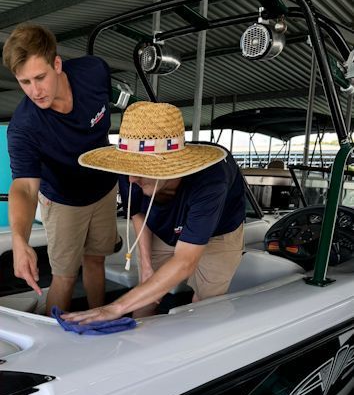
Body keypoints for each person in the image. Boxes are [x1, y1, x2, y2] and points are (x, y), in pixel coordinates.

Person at [62, 101, 245, 324]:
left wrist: (115, 308)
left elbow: (186, 260)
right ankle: (139, 348)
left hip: (218, 234)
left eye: (142, 171)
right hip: (160, 226)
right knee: (146, 292)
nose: (130, 180)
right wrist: (147, 266)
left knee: (205, 303)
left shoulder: (211, 180)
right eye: (129, 171)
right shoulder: (131, 171)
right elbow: (138, 212)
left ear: (173, 168)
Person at [3, 23, 118, 315]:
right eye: (25, 82)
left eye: (40, 77)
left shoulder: (94, 72)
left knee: (96, 260)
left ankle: (100, 321)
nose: (35, 91)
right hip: (64, 200)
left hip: (104, 188)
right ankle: (54, 343)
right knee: (65, 276)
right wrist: (20, 240)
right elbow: (25, 188)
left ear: (57, 64)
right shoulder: (23, 127)